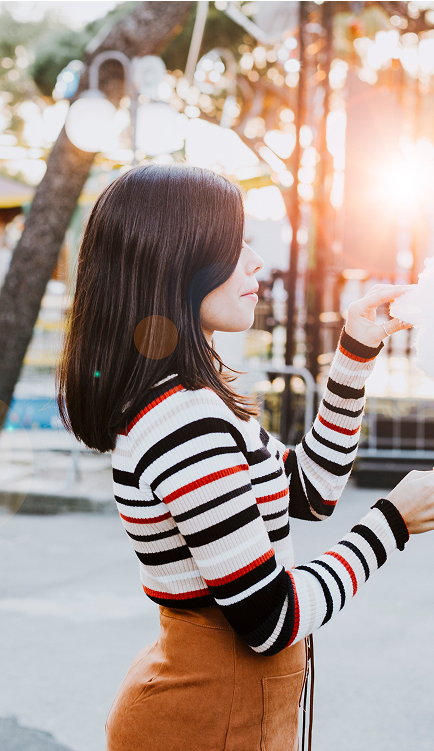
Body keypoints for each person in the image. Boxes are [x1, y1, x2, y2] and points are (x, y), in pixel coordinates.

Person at [57, 164, 434, 751]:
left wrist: (355, 350)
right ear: (177, 262)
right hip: (207, 722)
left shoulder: (196, 403)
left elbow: (311, 493)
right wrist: (394, 523)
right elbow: (271, 620)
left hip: (232, 715)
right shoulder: (181, 423)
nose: (256, 260)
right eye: (233, 245)